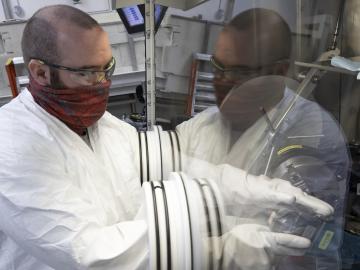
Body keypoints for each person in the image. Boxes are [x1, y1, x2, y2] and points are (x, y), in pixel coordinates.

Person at [0, 5, 336, 270]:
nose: (102, 83)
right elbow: (89, 252)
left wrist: (262, 191)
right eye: (88, 73)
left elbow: (173, 162)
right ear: (40, 73)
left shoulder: (101, 126)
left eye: (108, 68)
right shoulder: (13, 147)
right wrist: (221, 252)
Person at [176, 8, 350, 270]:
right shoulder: (201, 126)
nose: (222, 81)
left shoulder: (313, 132)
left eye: (239, 72)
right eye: (217, 67)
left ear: (278, 71)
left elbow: (294, 240)